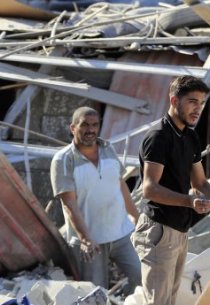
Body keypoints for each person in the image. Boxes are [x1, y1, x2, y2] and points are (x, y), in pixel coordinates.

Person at [133, 75, 210, 305]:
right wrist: (189, 202)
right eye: (192, 102)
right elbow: (150, 188)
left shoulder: (190, 137)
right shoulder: (158, 136)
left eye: (202, 103)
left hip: (179, 230)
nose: (198, 109)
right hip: (158, 230)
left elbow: (201, 183)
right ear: (174, 101)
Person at [51, 106, 142, 293]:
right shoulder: (63, 160)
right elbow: (69, 204)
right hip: (91, 241)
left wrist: (136, 217)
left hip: (121, 233)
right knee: (94, 293)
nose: (90, 130)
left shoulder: (108, 149)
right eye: (84, 125)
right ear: (73, 128)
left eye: (94, 125)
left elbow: (120, 184)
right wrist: (85, 238)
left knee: (142, 277)